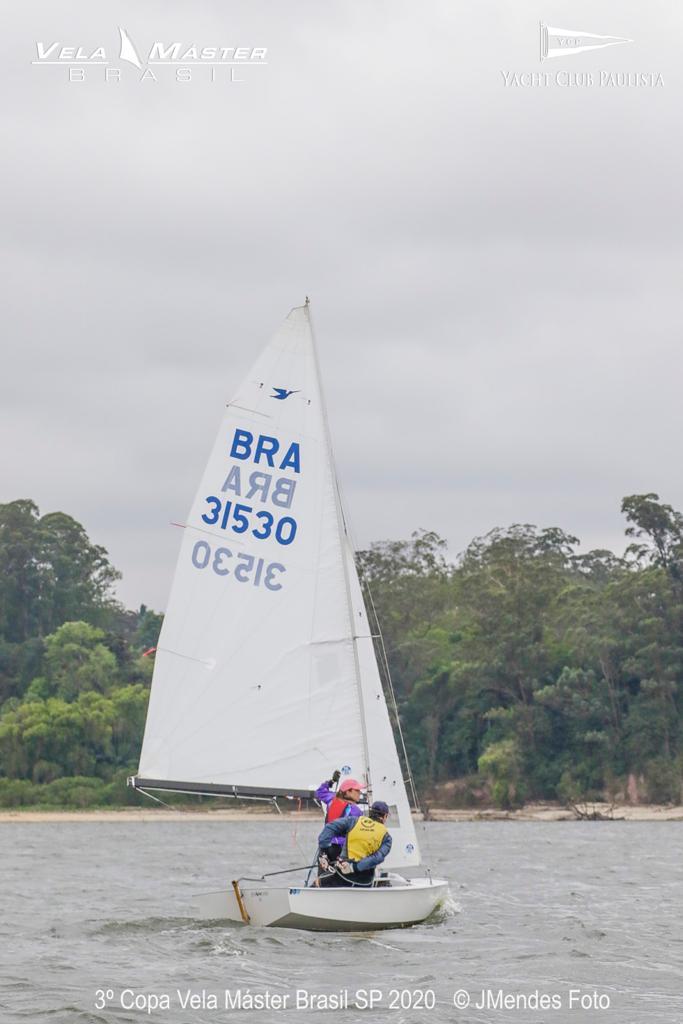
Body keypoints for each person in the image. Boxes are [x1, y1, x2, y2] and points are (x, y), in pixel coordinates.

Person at [316, 801, 392, 887]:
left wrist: (324, 852)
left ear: (370, 812)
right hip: (364, 882)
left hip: (342, 877)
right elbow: (377, 858)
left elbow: (329, 828)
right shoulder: (387, 837)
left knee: (318, 882)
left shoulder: (353, 821)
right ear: (385, 816)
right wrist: (354, 867)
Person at [314, 772, 363, 869]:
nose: (360, 793)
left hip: (325, 847)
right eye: (357, 790)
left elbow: (320, 792)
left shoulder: (331, 798)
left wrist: (331, 782)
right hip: (340, 849)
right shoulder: (356, 811)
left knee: (325, 874)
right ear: (348, 792)